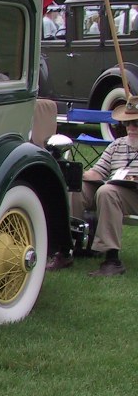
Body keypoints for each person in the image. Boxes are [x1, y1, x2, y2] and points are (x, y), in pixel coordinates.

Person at [48, 95, 138, 275]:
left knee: (107, 191)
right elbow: (98, 172)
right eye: (127, 123)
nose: (131, 128)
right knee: (77, 187)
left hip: (129, 194)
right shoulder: (117, 145)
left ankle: (112, 260)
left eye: (136, 123)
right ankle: (68, 248)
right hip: (116, 191)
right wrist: (73, 174)